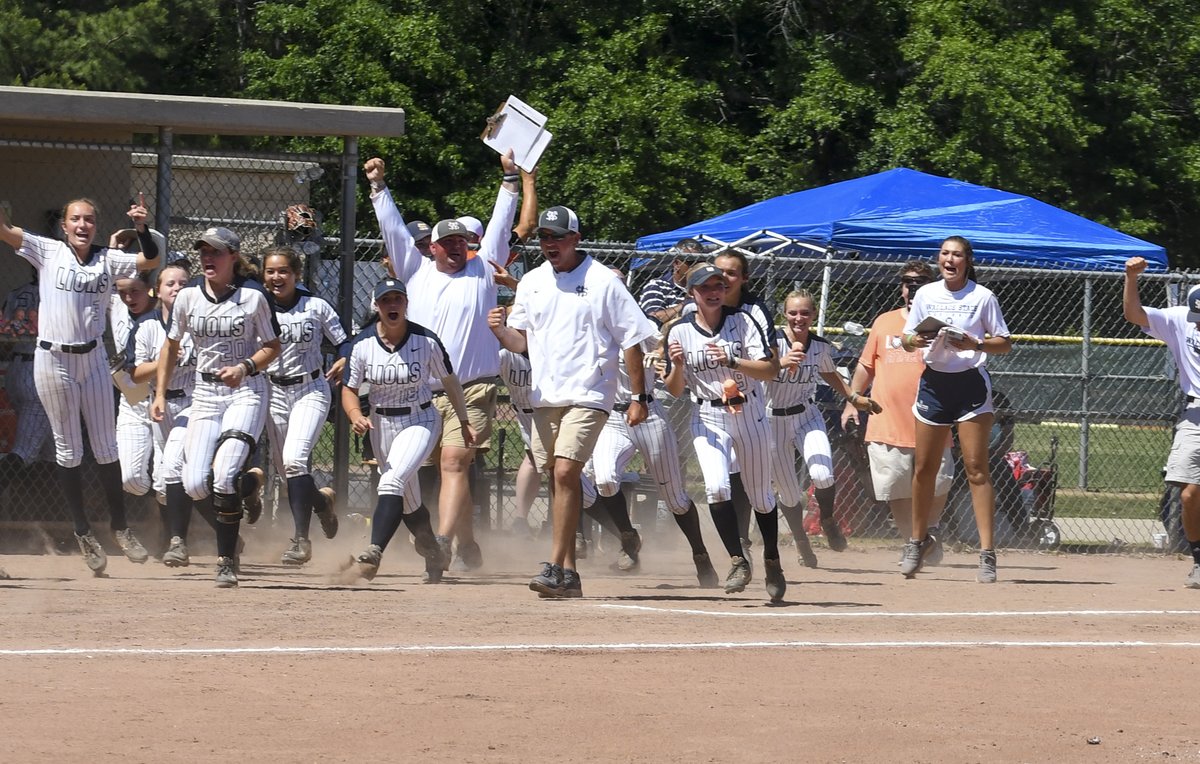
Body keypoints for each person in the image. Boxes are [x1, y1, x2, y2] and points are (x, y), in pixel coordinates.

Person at [491, 205, 658, 598]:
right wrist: (500, 332)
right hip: (546, 395)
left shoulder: (602, 281)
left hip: (590, 393)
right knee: (557, 478)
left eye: (557, 237)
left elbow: (632, 338)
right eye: (544, 237)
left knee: (566, 473)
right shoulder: (532, 282)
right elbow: (524, 344)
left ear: (575, 240)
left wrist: (639, 396)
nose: (549, 243)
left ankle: (553, 565)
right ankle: (569, 574)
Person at [366, 151, 520, 572]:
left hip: (471, 388)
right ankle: (467, 540)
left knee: (455, 463)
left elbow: (503, 226)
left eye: (461, 242)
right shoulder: (414, 271)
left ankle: (444, 543)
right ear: (431, 247)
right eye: (447, 242)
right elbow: (394, 230)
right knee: (429, 473)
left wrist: (509, 178)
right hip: (420, 391)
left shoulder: (483, 270)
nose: (456, 248)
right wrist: (379, 187)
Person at [0, 197, 157, 575]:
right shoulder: (48, 250)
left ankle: (120, 528)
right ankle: (83, 532)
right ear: (65, 226)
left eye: (88, 219)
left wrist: (140, 228)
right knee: (67, 449)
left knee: (105, 446)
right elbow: (6, 232)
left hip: (93, 359)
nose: (82, 225)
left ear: (96, 225)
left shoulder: (108, 258)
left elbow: (149, 259)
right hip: (52, 360)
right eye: (75, 219)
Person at [151, 226, 281, 587]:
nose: (208, 258)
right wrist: (160, 393)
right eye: (204, 252)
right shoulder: (189, 296)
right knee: (194, 483)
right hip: (205, 394)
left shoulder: (253, 297)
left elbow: (272, 346)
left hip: (246, 390)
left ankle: (227, 560)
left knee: (222, 474)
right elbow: (171, 347)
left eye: (217, 252)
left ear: (233, 257)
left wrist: (245, 367)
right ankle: (246, 488)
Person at [664, 263, 798, 602]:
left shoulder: (743, 321)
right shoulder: (679, 331)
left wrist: (733, 361)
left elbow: (770, 369)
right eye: (704, 286)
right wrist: (678, 366)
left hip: (749, 411)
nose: (713, 291)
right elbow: (675, 389)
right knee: (716, 486)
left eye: (718, 286)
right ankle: (738, 560)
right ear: (691, 292)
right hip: (706, 415)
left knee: (761, 498)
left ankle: (771, 559)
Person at [588, 268, 719, 586]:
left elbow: (663, 344)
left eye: (616, 287)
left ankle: (700, 553)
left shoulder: (641, 325)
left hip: (648, 413)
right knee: (602, 480)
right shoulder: (588, 328)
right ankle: (628, 536)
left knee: (674, 497)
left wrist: (663, 355)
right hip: (613, 419)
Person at [341, 278, 476, 582]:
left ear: (405, 304)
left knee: (391, 480)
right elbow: (349, 389)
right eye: (386, 300)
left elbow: (450, 382)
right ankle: (434, 552)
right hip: (381, 424)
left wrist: (464, 420)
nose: (392, 305)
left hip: (420, 420)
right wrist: (353, 414)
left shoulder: (425, 340)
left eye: (397, 299)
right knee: (409, 502)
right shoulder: (362, 344)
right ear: (376, 306)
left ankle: (374, 550)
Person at [901, 236, 1012, 582]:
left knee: (977, 468)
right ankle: (916, 542)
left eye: (957, 255)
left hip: (969, 385)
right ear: (939, 259)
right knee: (924, 468)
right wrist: (915, 340)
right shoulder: (925, 294)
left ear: (968, 260)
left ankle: (987, 553)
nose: (950, 260)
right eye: (945, 254)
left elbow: (1003, 343)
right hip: (935, 384)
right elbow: (906, 339)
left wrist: (974, 342)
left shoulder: (982, 297)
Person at [841, 261, 955, 565]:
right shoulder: (884, 322)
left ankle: (929, 529)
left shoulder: (943, 324)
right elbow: (867, 365)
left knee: (940, 480)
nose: (912, 288)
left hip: (933, 417)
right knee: (896, 487)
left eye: (919, 282)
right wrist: (853, 400)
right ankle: (913, 543)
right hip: (887, 419)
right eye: (907, 282)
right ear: (901, 288)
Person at [768, 289, 880, 567]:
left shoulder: (819, 346)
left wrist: (854, 397)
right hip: (772, 421)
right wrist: (779, 362)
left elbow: (829, 372)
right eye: (793, 312)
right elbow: (759, 368)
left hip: (806, 415)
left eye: (805, 312)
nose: (799, 318)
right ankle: (801, 541)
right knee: (789, 492)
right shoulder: (773, 343)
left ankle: (828, 519)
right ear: (785, 314)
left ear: (814, 315)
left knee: (822, 473)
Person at [261, 247, 347, 565]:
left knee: (296, 461)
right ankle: (322, 504)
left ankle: (300, 541)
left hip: (310, 388)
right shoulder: (257, 306)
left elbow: (344, 341)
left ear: (296, 274)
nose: (276, 277)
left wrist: (344, 358)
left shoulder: (315, 306)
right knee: (288, 473)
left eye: (283, 270)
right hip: (273, 392)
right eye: (270, 271)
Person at [1123, 257, 1200, 588]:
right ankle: (1198, 559)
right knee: (1187, 494)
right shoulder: (1182, 320)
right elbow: (1134, 314)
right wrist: (1130, 278)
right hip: (1197, 413)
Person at [130, 261, 195, 557]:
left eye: (183, 283)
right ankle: (170, 535)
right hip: (160, 403)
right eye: (170, 283)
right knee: (162, 480)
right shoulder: (147, 326)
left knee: (179, 470)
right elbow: (135, 374)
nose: (177, 288)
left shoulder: (199, 323)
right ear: (157, 290)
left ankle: (178, 540)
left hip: (193, 402)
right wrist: (164, 360)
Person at [0, 267, 52, 476]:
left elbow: (4, 344)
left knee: (50, 447)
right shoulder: (57, 294)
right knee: (25, 450)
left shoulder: (16, 293)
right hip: (40, 370)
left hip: (16, 368)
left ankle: (44, 500)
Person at [638, 238, 704, 325]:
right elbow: (654, 318)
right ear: (676, 263)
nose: (696, 267)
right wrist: (687, 303)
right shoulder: (657, 286)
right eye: (691, 262)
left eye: (700, 262)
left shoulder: (706, 286)